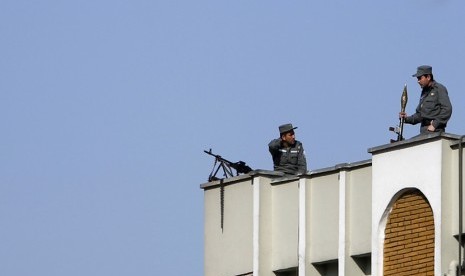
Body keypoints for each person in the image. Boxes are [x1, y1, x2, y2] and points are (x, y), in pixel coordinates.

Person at [399, 65, 452, 134]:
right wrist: (406, 119)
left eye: (420, 78)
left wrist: (434, 124)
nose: (418, 81)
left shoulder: (439, 89)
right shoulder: (424, 92)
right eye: (417, 79)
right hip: (424, 131)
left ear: (428, 77)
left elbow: (447, 109)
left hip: (435, 132)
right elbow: (420, 115)